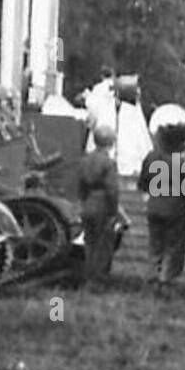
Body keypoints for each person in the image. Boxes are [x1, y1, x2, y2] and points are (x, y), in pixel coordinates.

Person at [143, 117, 185, 298]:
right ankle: (165, 280)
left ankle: (152, 277)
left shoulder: (151, 157)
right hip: (175, 207)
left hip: (154, 205)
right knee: (173, 246)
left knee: (155, 244)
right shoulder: (183, 163)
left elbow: (143, 182)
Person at [77, 124, 121, 289]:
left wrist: (82, 200)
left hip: (87, 202)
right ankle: (99, 279)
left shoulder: (84, 160)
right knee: (104, 244)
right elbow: (112, 189)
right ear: (110, 142)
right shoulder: (109, 163)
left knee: (90, 243)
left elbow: (80, 185)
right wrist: (114, 211)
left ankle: (88, 276)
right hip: (102, 204)